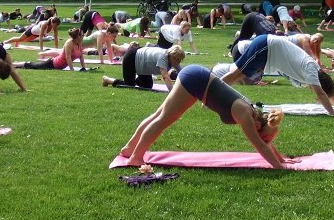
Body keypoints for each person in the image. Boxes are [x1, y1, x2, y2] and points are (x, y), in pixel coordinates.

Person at [118, 64, 294, 168]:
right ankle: (136, 157)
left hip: (197, 78)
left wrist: (280, 158)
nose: (265, 141)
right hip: (196, 81)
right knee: (164, 119)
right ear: (258, 126)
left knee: (159, 115)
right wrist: (280, 168)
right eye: (265, 138)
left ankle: (129, 148)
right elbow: (260, 146)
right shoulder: (246, 115)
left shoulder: (255, 115)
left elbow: (265, 143)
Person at [222, 34, 334, 115]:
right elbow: (322, 93)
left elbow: (328, 92)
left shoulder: (313, 74)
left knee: (239, 76)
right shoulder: (311, 70)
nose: (313, 92)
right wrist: (333, 114)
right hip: (266, 46)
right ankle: (212, 91)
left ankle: (216, 92)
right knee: (236, 74)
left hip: (267, 55)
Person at [102, 45, 185, 90]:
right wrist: (172, 91)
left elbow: (181, 74)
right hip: (131, 58)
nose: (178, 62)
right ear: (171, 56)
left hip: (143, 66)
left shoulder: (173, 59)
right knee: (130, 85)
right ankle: (107, 80)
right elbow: (165, 77)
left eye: (180, 60)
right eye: (177, 59)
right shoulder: (163, 57)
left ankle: (134, 79)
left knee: (147, 86)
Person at [20, 28, 86, 71]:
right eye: (82, 35)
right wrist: (72, 70)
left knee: (35, 65)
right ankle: (16, 64)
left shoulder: (79, 43)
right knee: (34, 66)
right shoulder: (69, 43)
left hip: (59, 66)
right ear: (78, 36)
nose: (83, 36)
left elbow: (81, 56)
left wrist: (83, 68)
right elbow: (68, 57)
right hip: (53, 64)